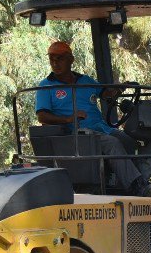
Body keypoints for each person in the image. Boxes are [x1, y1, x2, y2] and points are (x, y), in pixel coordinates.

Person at [35, 40, 143, 192]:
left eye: (59, 58)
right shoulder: (46, 86)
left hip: (101, 128)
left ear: (71, 60)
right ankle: (137, 188)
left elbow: (106, 94)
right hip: (76, 133)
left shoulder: (85, 80)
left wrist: (119, 88)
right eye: (51, 59)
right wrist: (67, 119)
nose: (55, 63)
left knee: (129, 141)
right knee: (112, 144)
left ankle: (123, 183)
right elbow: (42, 116)